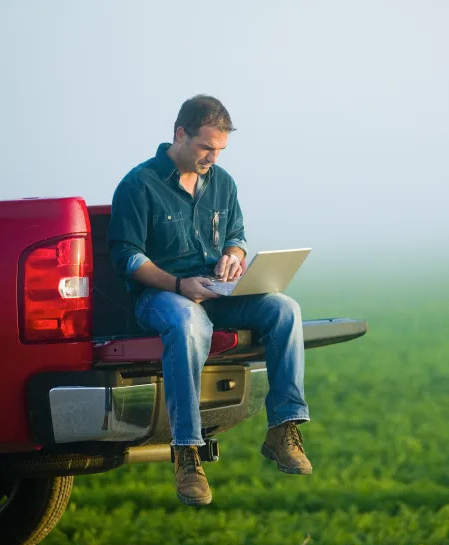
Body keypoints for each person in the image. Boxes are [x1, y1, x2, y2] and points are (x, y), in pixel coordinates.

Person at [107, 95, 312, 506]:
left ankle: (283, 429)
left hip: (218, 292)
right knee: (188, 322)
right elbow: (127, 258)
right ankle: (187, 452)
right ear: (180, 134)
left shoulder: (223, 182)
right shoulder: (138, 184)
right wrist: (181, 285)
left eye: (220, 150)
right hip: (162, 296)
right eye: (206, 147)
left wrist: (234, 259)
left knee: (285, 308)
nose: (213, 158)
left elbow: (236, 236)